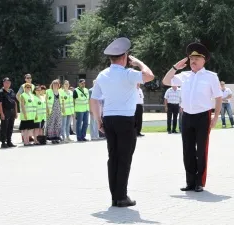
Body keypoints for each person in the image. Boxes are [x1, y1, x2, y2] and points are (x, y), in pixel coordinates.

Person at [90, 37, 154, 207]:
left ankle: (115, 196)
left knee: (113, 158)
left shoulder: (102, 75)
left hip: (108, 119)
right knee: (124, 158)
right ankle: (121, 197)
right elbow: (149, 75)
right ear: (125, 56)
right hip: (125, 120)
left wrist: (98, 120)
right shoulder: (128, 74)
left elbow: (94, 99)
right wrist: (139, 62)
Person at [162, 42, 222, 192]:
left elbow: (218, 98)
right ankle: (190, 182)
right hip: (187, 115)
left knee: (201, 150)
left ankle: (199, 182)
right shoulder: (184, 76)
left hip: (203, 115)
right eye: (191, 58)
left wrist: (215, 118)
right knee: (187, 150)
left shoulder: (211, 77)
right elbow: (165, 81)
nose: (193, 61)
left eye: (196, 58)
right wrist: (175, 67)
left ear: (204, 60)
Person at [0, 77, 18, 148]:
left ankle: (9, 141)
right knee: (4, 127)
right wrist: (1, 113)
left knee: (10, 127)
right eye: (6, 82)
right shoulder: (0, 92)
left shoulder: (11, 91)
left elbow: (14, 102)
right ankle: (3, 142)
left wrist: (16, 112)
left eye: (9, 82)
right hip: (5, 111)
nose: (7, 84)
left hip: (12, 111)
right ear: (3, 83)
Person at [45, 79, 63, 144]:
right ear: (52, 85)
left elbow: (62, 101)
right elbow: (46, 100)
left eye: (56, 84)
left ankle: (57, 136)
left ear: (58, 85)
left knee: (58, 123)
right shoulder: (48, 91)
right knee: (51, 123)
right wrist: (46, 109)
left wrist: (62, 109)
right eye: (54, 84)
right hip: (51, 109)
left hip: (58, 109)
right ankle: (51, 137)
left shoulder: (60, 92)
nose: (55, 85)